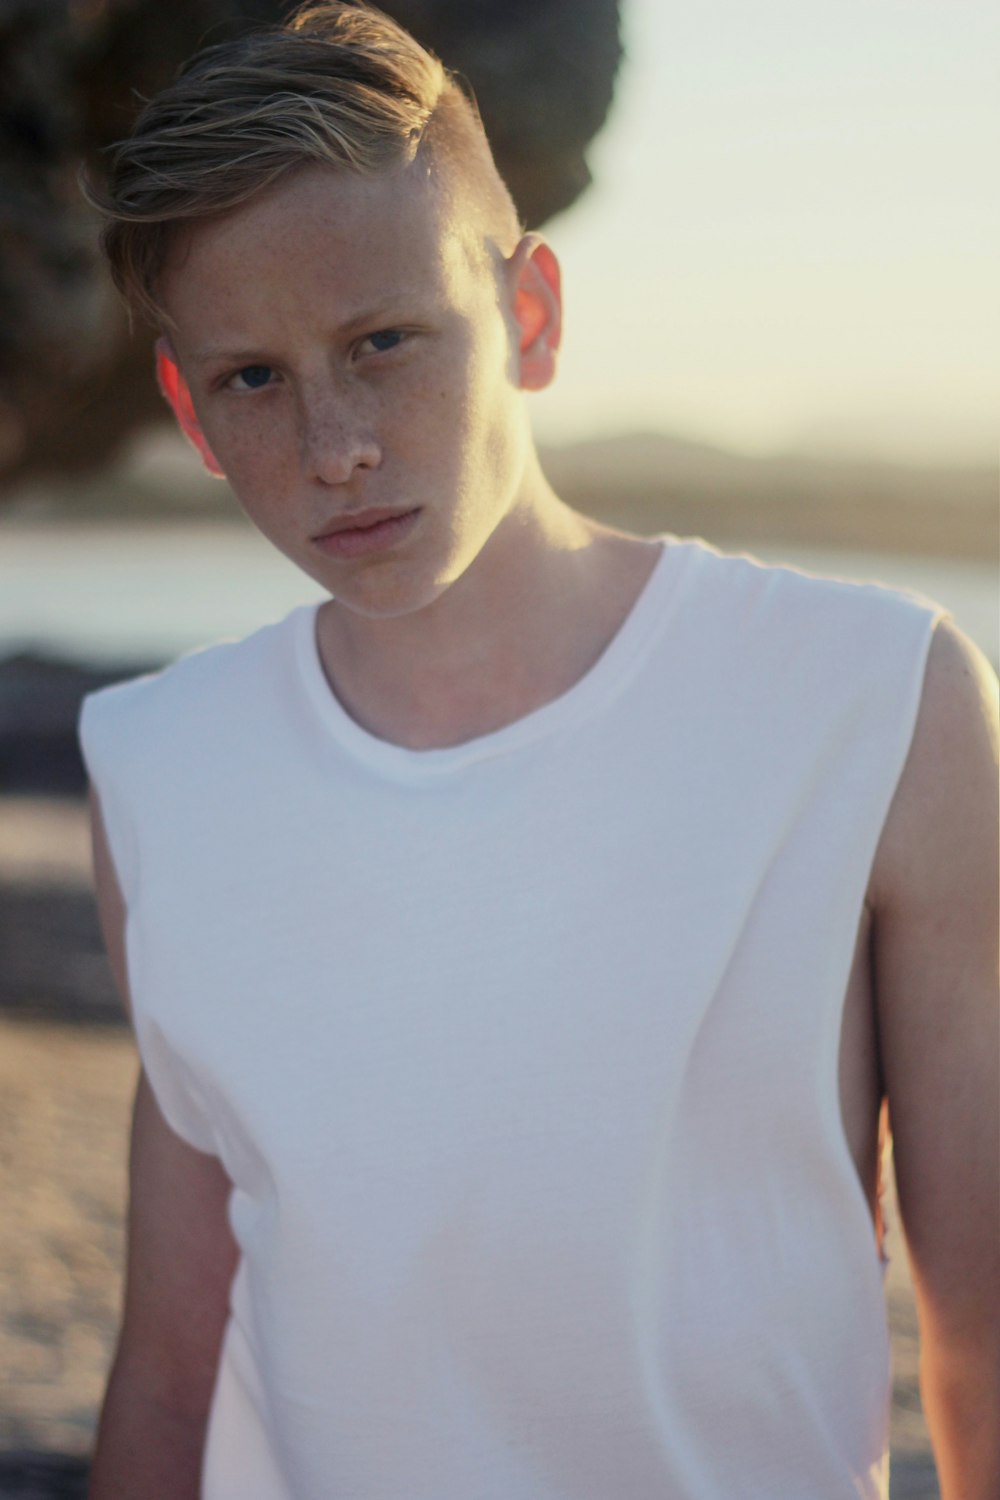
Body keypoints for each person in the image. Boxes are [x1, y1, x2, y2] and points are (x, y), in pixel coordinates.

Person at [78, 4, 999, 1497]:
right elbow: (172, 1356)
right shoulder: (158, 763)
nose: (336, 447)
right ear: (185, 411)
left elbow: (983, 1335)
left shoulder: (878, 699)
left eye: (385, 343)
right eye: (254, 378)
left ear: (532, 318)